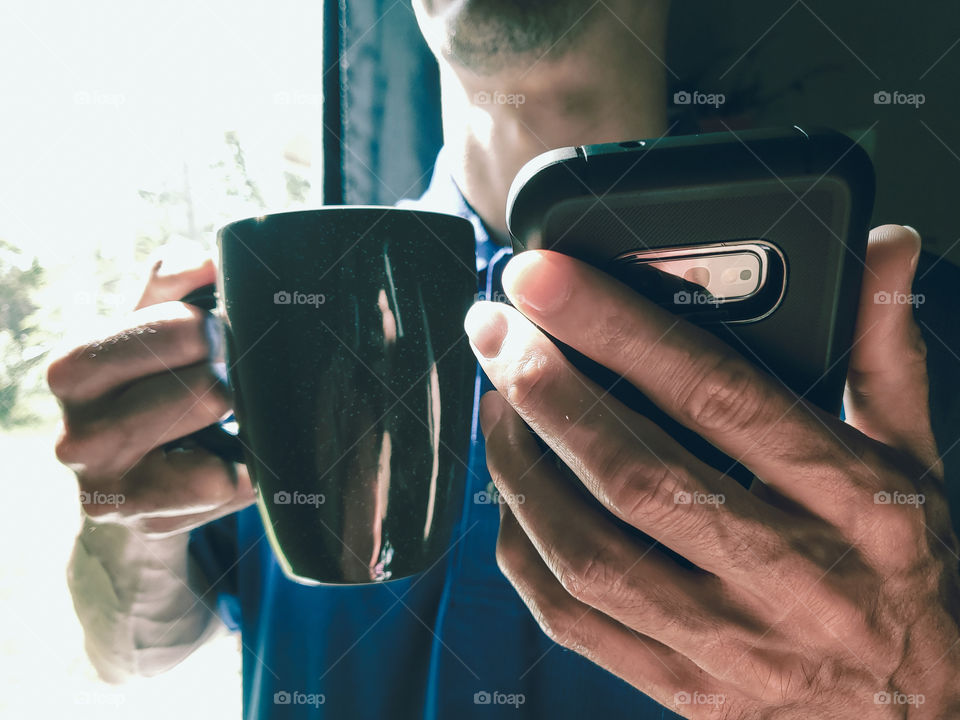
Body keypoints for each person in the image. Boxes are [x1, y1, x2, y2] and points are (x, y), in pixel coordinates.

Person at [48, 1, 960, 717]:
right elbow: (133, 654)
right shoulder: (260, 306)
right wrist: (124, 505)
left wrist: (923, 699)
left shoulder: (915, 325)